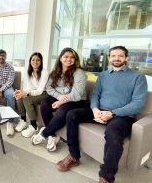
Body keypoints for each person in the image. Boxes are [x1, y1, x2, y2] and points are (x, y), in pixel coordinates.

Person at [56, 46, 148, 183]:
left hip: (122, 116)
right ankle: (74, 157)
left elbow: (138, 103)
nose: (116, 58)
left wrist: (112, 113)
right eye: (113, 56)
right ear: (109, 58)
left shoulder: (138, 77)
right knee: (72, 114)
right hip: (99, 111)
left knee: (113, 133)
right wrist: (95, 110)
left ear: (126, 58)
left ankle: (106, 176)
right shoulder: (103, 75)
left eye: (120, 56)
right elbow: (95, 95)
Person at [31, 48, 88, 151]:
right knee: (45, 104)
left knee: (62, 110)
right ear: (61, 58)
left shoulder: (79, 73)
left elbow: (76, 95)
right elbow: (49, 88)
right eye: (66, 57)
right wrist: (59, 97)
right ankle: (53, 135)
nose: (69, 59)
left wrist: (61, 101)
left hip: (77, 101)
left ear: (75, 60)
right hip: (61, 97)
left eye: (72, 57)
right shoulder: (55, 72)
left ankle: (44, 133)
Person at [13, 52, 49, 137]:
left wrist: (26, 93)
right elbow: (29, 87)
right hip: (35, 92)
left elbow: (40, 91)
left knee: (26, 98)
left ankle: (33, 126)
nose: (35, 62)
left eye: (38, 60)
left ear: (41, 61)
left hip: (45, 93)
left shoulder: (45, 72)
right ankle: (23, 120)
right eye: (33, 60)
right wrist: (21, 92)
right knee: (19, 97)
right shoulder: (29, 71)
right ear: (30, 61)